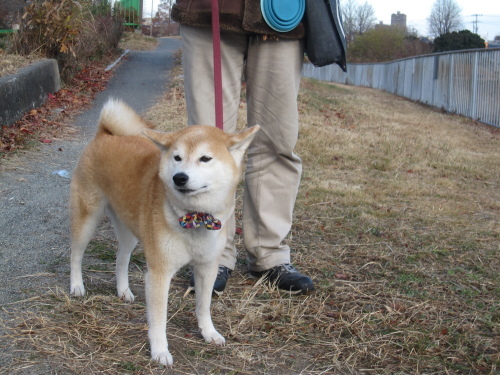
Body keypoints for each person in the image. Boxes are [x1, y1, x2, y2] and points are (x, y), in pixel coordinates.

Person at [171, 0, 314, 295]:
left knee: (278, 142)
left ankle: (270, 253)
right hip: (206, 10)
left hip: (282, 14)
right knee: (206, 150)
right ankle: (213, 253)